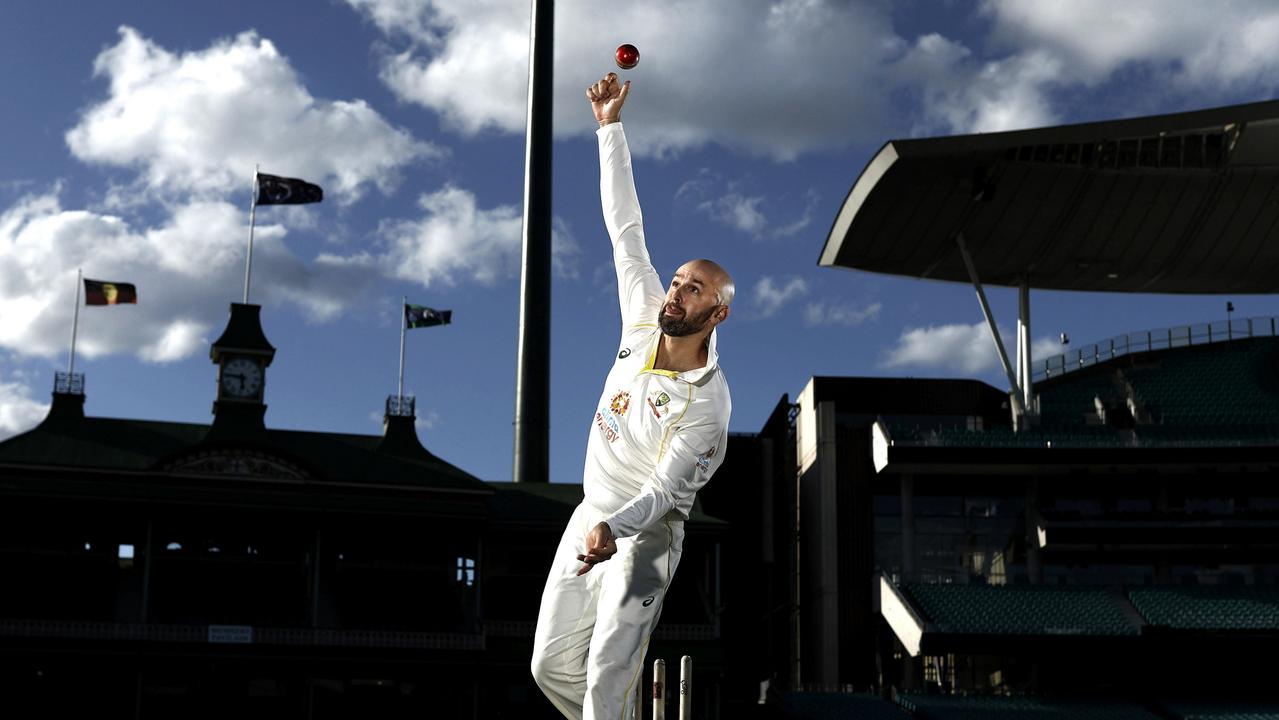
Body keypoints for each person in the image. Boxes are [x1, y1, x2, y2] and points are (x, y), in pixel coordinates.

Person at [530, 72, 734, 719]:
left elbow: (663, 497)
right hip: (590, 511)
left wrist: (610, 529)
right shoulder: (643, 315)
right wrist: (609, 128)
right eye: (676, 281)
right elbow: (624, 226)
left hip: (643, 539)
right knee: (547, 667)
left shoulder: (708, 404)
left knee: (604, 679)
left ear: (717, 314)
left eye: (693, 289)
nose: (675, 292)